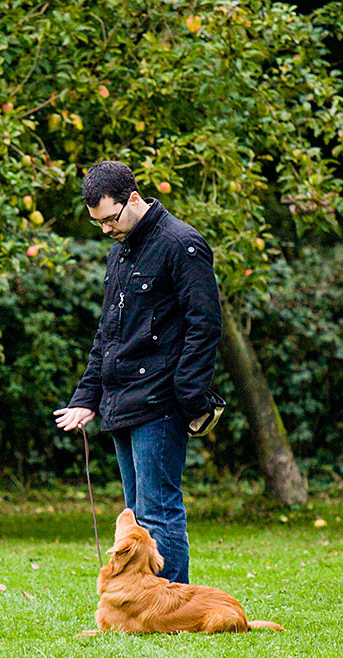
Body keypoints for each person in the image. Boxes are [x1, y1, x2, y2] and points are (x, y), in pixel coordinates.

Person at [53, 161, 222, 585]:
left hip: (162, 402)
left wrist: (188, 397)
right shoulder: (119, 252)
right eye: (98, 223)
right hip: (121, 403)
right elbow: (107, 335)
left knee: (158, 511)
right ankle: (145, 604)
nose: (107, 229)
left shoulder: (183, 244)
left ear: (133, 198)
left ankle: (172, 604)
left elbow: (205, 326)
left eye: (111, 218)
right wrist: (85, 398)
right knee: (135, 517)